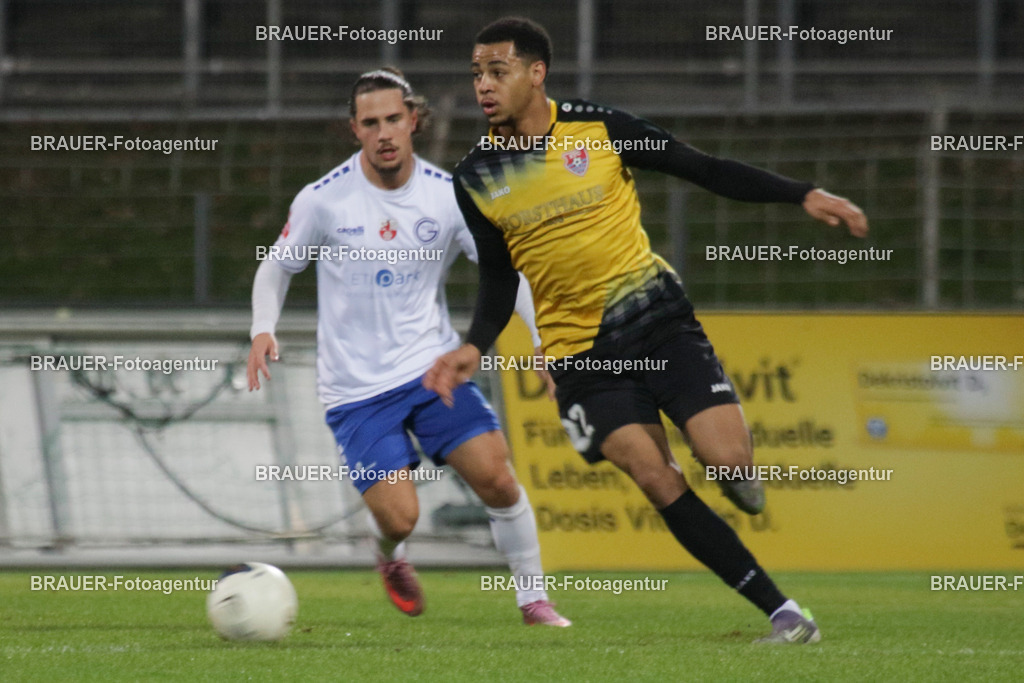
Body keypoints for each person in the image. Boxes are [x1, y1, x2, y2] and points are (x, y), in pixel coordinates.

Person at [425, 17, 869, 644]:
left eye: (496, 71)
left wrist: (800, 194)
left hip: (658, 322)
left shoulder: (602, 129)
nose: (483, 86)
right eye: (476, 74)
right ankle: (785, 612)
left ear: (536, 73)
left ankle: (736, 470)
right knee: (656, 476)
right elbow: (499, 279)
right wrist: (473, 345)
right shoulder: (475, 178)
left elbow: (704, 169)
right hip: (580, 355)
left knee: (726, 458)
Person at [247, 67, 570, 627]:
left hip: (432, 368)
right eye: (370, 123)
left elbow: (507, 275)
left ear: (414, 120)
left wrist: (544, 338)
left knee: (497, 477)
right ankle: (390, 554)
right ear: (355, 131)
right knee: (402, 517)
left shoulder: (450, 197)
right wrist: (261, 328)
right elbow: (276, 266)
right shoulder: (324, 200)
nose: (384, 132)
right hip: (355, 390)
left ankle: (534, 599)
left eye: (393, 118)